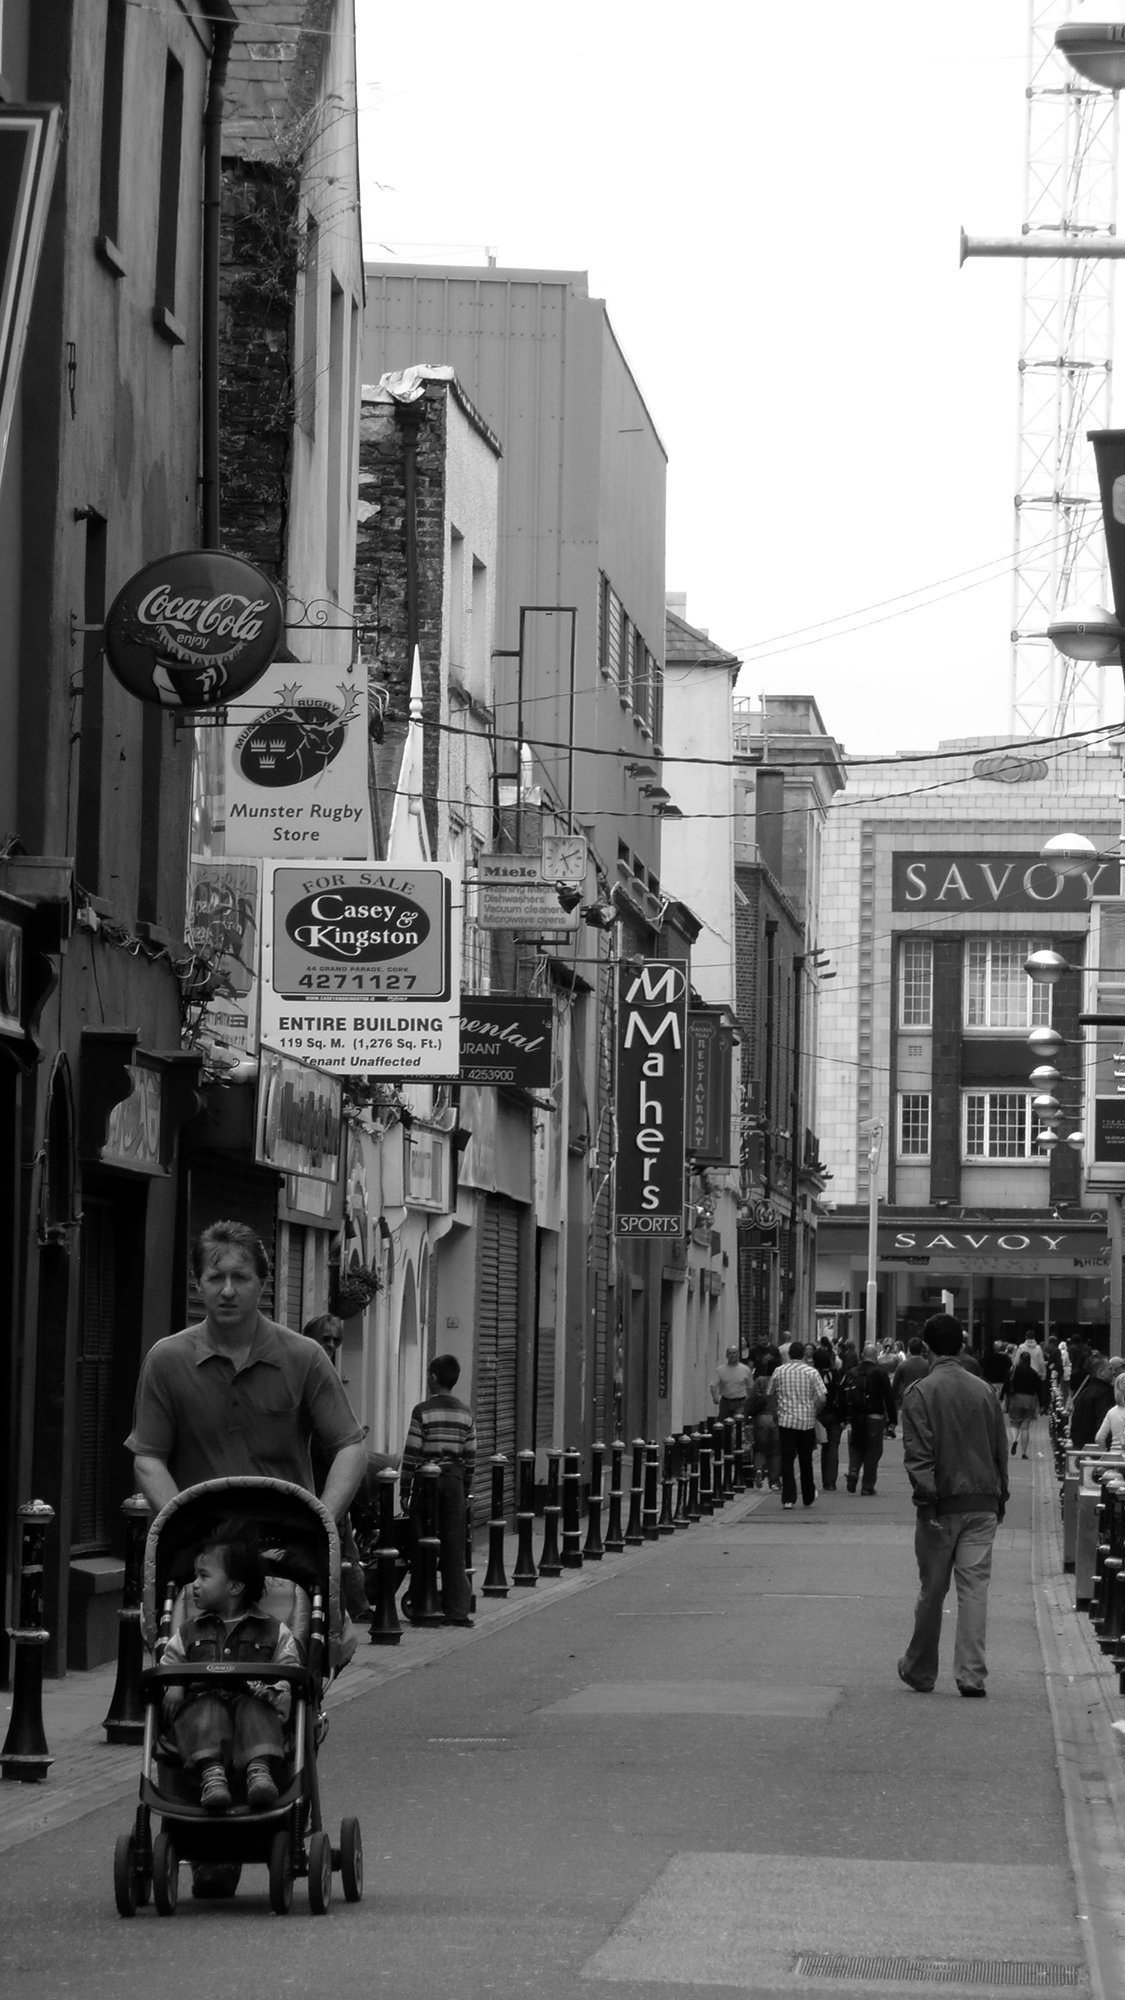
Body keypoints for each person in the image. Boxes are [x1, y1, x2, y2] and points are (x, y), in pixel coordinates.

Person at [127, 1220, 368, 1523]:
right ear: (198, 1283)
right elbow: (148, 1459)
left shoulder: (304, 1357)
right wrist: (185, 1527)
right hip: (201, 1552)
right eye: (216, 1278)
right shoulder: (166, 1359)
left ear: (263, 1283)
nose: (227, 1291)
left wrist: (322, 1524)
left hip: (286, 1546)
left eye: (240, 1278)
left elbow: (350, 1446)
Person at [897, 1312, 1009, 1698]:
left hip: (941, 1505)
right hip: (982, 1501)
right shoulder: (984, 1391)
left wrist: (926, 1501)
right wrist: (1001, 1495)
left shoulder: (919, 1393)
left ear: (926, 1348)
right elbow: (1000, 1448)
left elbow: (919, 1454)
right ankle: (971, 1674)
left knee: (933, 1590)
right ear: (961, 1346)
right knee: (975, 1588)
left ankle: (921, 1669)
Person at [161, 1519, 302, 1812]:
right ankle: (212, 1774)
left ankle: (258, 1769)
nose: (194, 1585)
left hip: (253, 1701)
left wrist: (276, 1690)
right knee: (203, 1710)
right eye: (194, 1577)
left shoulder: (273, 1631)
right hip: (204, 1704)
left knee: (256, 1711)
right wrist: (174, 1684)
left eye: (203, 1576)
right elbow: (171, 1659)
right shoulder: (189, 1630)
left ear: (235, 1586)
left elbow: (288, 1666)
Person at [301, 1312, 373, 1621]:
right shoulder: (302, 1370)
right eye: (325, 1339)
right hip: (308, 1475)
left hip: (329, 1476)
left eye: (335, 1340)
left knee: (342, 1542)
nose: (330, 1345)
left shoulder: (329, 1374)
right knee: (335, 1543)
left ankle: (351, 1607)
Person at [400, 1354, 477, 1625]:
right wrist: (465, 1490)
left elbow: (412, 1452)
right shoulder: (465, 1413)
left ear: (433, 1377)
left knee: (422, 1543)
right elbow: (470, 1457)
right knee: (454, 1546)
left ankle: (424, 1603)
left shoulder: (422, 1411)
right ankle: (458, 1610)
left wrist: (404, 1487)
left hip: (427, 1483)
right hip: (454, 1483)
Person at [768, 1339, 825, 1510]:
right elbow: (822, 1398)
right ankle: (808, 1496)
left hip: (786, 1421)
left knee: (787, 1459)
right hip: (806, 1422)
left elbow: (769, 1393)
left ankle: (788, 1498)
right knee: (805, 1460)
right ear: (803, 1354)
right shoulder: (811, 1372)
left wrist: (775, 1412)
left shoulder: (779, 1371)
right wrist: (814, 1411)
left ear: (789, 1354)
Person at [844, 1346, 897, 1495]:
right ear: (876, 1357)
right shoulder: (880, 1373)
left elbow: (844, 1395)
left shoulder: (853, 1372)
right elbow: (888, 1397)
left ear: (862, 1355)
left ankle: (853, 1471)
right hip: (875, 1417)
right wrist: (892, 1419)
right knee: (873, 1451)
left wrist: (844, 1416)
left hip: (856, 1416)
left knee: (856, 1445)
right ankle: (867, 1485)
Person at [1004, 1349, 1046, 1460]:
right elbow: (1039, 1390)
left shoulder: (1013, 1370)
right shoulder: (1033, 1373)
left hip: (1015, 1399)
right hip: (1029, 1400)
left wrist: (1002, 1396)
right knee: (1025, 1427)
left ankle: (1014, 1440)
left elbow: (1006, 1384)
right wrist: (1042, 1404)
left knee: (1014, 1423)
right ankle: (1024, 1452)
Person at [747, 1355, 781, 1491]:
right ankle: (774, 1481)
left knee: (760, 1448)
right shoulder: (780, 1381)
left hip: (760, 1419)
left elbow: (751, 1399)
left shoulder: (760, 1380)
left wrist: (746, 1417)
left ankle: (759, 1469)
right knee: (775, 1452)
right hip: (775, 1419)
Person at [1069, 1353, 1116, 1449]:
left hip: (1081, 1447)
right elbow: (1105, 1424)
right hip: (1096, 1449)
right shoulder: (1105, 1394)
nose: (1113, 1372)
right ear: (1101, 1373)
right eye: (1110, 1369)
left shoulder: (1084, 1392)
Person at [709, 1345, 753, 1421]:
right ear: (726, 1355)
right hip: (726, 1402)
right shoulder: (720, 1370)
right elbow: (713, 1384)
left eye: (734, 1353)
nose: (732, 1355)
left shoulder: (745, 1369)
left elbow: (750, 1386)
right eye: (730, 1353)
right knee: (723, 1423)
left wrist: (750, 1401)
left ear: (738, 1355)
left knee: (739, 1424)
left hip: (741, 1402)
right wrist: (715, 1397)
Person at [891, 1337, 931, 1411]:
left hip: (907, 1403)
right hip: (924, 1403)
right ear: (922, 1349)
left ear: (909, 1349)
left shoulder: (902, 1365)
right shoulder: (928, 1365)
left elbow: (895, 1387)